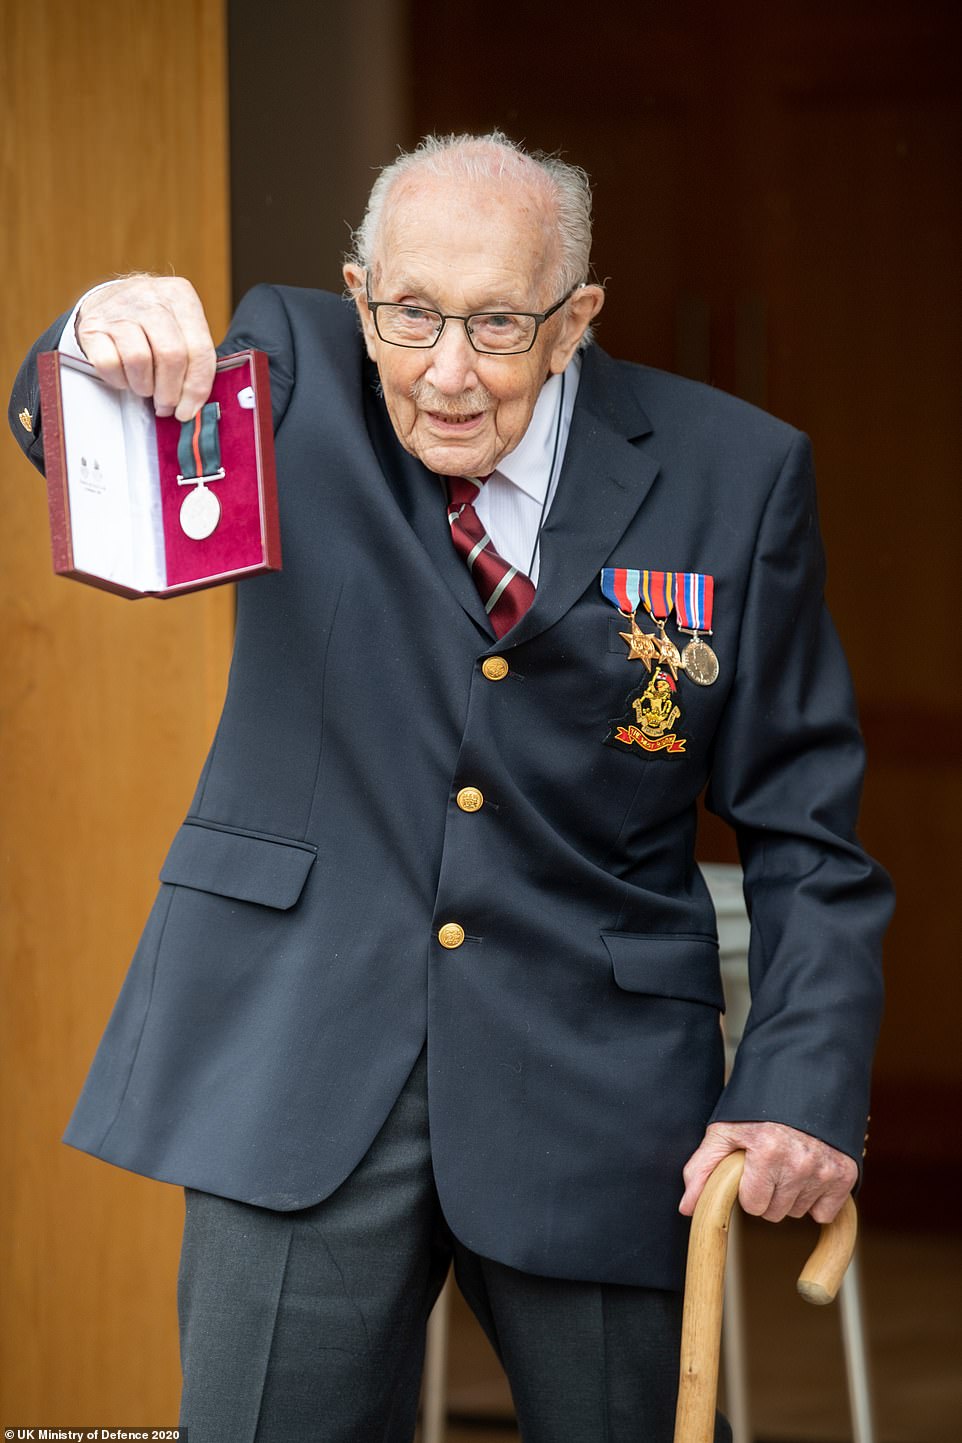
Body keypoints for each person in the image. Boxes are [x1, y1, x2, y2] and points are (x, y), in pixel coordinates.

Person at [9, 131, 892, 1443]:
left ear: (574, 318)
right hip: (296, 1057)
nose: (447, 370)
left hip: (596, 1088)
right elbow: (67, 427)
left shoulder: (733, 473)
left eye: (497, 322)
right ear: (362, 293)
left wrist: (796, 1087)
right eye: (411, 313)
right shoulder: (290, 375)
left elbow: (807, 835)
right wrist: (88, 335)